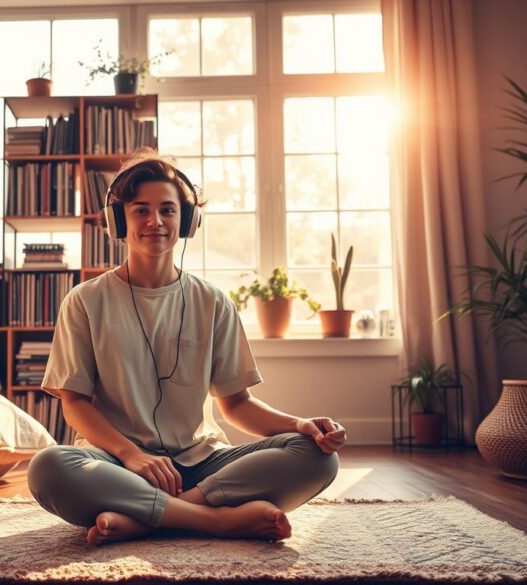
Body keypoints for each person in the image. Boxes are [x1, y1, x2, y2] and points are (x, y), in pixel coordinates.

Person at [29, 147, 346, 546]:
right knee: (49, 467)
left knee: (318, 457)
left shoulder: (212, 301)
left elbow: (237, 405)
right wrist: (132, 455)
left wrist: (299, 425)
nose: (155, 221)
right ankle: (217, 521)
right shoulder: (85, 301)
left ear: (188, 221)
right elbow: (74, 403)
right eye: (140, 210)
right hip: (118, 463)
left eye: (168, 210)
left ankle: (149, 518)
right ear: (119, 221)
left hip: (204, 463)